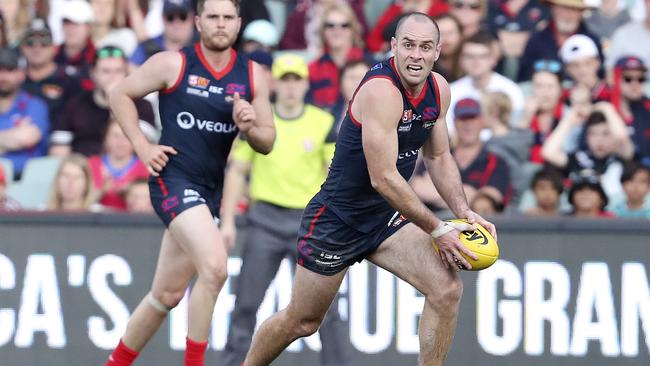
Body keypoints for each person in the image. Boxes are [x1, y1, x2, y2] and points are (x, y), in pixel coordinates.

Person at [243, 13, 496, 366]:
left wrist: (462, 211)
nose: (416, 55)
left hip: (385, 217)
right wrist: (438, 229)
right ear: (393, 46)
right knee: (302, 322)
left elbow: (438, 156)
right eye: (408, 45)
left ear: (438, 51)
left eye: (425, 47)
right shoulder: (381, 91)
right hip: (338, 219)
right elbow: (383, 178)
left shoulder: (439, 89)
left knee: (446, 289)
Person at [103, 1, 275, 365]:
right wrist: (142, 146)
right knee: (215, 268)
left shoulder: (253, 75)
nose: (220, 24)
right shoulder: (174, 63)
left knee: (165, 295)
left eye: (228, 18)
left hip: (208, 191)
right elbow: (119, 93)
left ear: (239, 23)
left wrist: (249, 127)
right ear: (198, 22)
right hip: (173, 179)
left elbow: (267, 141)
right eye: (212, 17)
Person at [220, 53, 351, 366]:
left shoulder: (322, 121)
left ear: (306, 83)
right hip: (264, 219)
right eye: (286, 80)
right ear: (275, 83)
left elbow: (335, 172)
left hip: (309, 222)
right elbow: (237, 170)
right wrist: (227, 221)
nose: (291, 87)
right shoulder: (259, 121)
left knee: (325, 309)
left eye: (297, 80)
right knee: (246, 304)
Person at [50, 45, 156, 157]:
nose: (113, 77)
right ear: (93, 74)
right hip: (84, 169)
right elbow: (59, 152)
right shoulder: (75, 104)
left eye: (118, 71)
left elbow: (144, 148)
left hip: (127, 172)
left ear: (126, 74)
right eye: (106, 71)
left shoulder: (143, 105)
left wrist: (116, 102)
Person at [448, 31, 525, 134]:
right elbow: (449, 131)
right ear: (461, 60)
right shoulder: (451, 91)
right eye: (470, 56)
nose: (476, 62)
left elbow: (515, 129)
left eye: (482, 56)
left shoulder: (510, 89)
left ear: (493, 60)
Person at [517, 0, 602, 82]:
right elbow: (525, 76)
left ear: (580, 13)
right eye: (563, 8)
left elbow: (600, 76)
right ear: (553, 9)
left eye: (573, 9)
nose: (567, 15)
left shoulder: (593, 40)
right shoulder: (536, 40)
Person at [0, 48, 49, 180]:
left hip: (27, 178)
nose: (3, 77)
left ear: (21, 74)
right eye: (0, 70)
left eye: (9, 70)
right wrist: (12, 137)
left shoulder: (34, 104)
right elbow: (20, 138)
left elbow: (28, 137)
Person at [21, 18, 82, 124]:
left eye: (44, 42)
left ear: (54, 47)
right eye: (30, 43)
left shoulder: (69, 80)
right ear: (22, 47)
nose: (37, 48)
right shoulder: (14, 79)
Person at [88, 120, 149, 210]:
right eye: (115, 136)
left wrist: (130, 192)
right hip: (95, 221)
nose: (120, 141)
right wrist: (100, 191)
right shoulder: (91, 164)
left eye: (126, 136)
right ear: (105, 139)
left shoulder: (146, 168)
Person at [130, 0, 197, 66]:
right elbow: (131, 70)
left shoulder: (203, 45)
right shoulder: (146, 48)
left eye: (183, 16)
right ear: (162, 19)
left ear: (192, 18)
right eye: (170, 17)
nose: (177, 23)